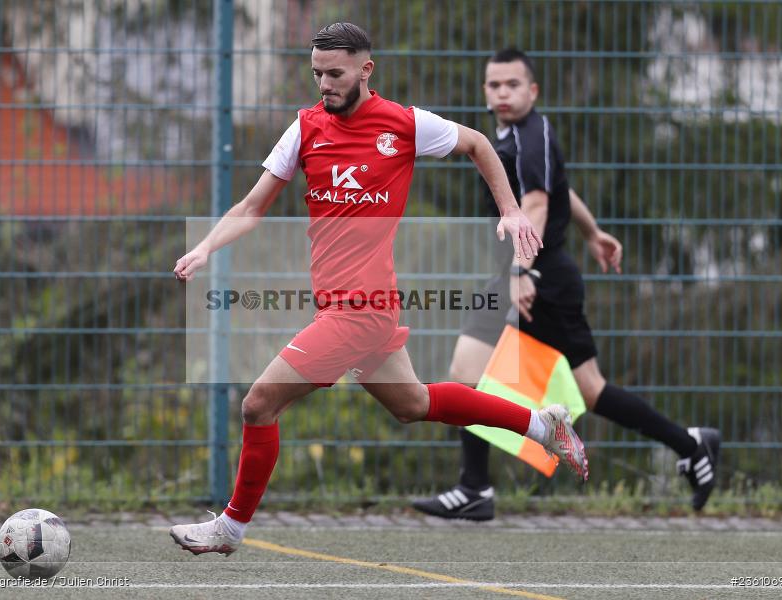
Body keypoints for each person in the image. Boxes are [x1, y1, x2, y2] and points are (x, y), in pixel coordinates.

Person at [168, 24, 589, 557]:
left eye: (336, 73)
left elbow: (478, 144)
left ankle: (230, 528)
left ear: (366, 70)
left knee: (259, 404)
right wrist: (206, 247)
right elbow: (252, 207)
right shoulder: (304, 128)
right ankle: (542, 424)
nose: (325, 84)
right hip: (347, 305)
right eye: (317, 73)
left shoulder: (404, 124)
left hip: (360, 311)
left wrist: (509, 209)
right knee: (414, 403)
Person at [412, 48, 720, 522]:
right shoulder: (514, 136)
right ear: (485, 92)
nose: (503, 93)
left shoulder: (530, 133)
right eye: (494, 85)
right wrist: (592, 232)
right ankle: (475, 487)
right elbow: (561, 188)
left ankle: (690, 446)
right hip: (529, 274)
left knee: (578, 388)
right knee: (479, 373)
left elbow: (537, 203)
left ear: (532, 91)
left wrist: (520, 272)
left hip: (541, 279)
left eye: (513, 84)